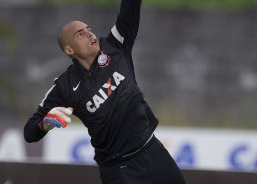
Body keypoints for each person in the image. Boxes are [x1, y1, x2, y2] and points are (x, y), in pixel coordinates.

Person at [24, 0, 187, 183]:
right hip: (117, 169)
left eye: (88, 29)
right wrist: (46, 123)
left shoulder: (115, 46)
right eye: (80, 34)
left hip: (153, 151)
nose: (89, 34)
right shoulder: (65, 86)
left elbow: (130, 7)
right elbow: (29, 132)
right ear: (69, 49)